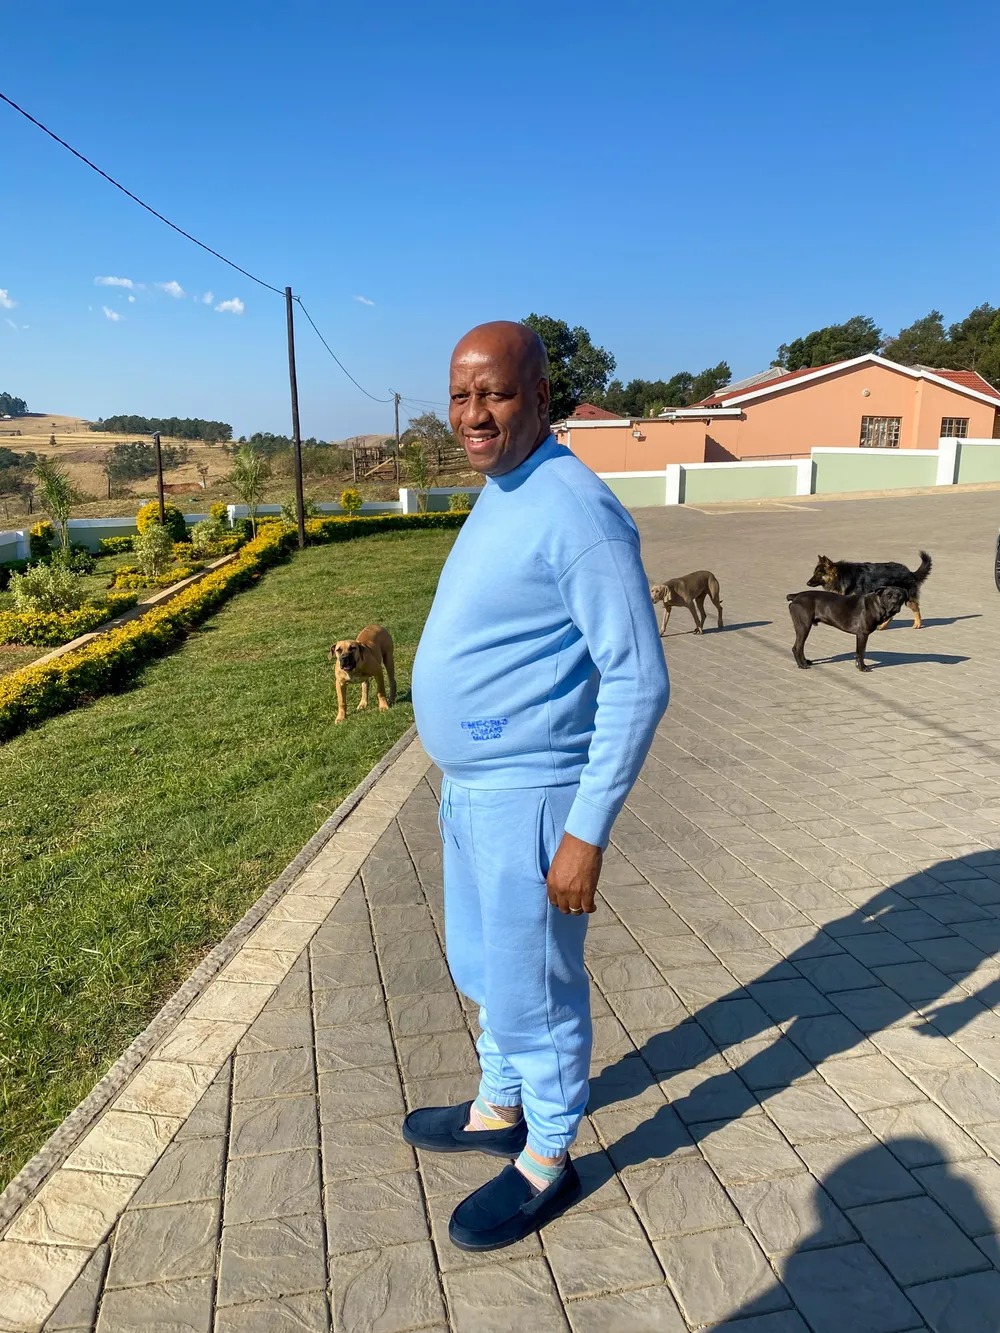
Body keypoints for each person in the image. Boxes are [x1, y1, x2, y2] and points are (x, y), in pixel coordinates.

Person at [405, 320, 669, 1251]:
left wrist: (585, 832)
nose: (473, 413)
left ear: (542, 398)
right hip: (474, 790)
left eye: (496, 393)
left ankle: (549, 1154)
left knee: (539, 990)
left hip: (534, 798)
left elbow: (639, 678)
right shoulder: (505, 486)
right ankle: (500, 1105)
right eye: (461, 394)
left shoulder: (577, 509)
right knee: (487, 966)